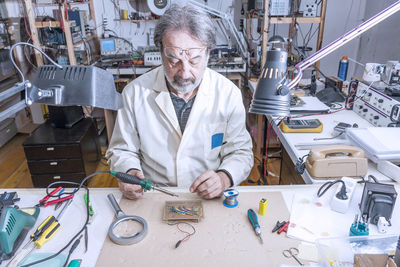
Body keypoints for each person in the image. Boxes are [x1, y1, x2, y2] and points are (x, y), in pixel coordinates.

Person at [106, 4, 253, 200]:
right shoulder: (134, 93)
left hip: (207, 197)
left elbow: (240, 152)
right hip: (153, 195)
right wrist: (130, 172)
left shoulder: (228, 94)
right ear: (160, 51)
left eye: (194, 60)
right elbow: (122, 149)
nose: (184, 73)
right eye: (173, 60)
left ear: (208, 54)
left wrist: (224, 178)